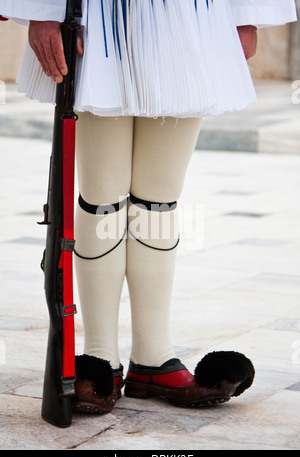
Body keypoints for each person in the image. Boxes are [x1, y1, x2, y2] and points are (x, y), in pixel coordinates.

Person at [0, 0, 297, 413]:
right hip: (96, 16)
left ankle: (153, 358)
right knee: (102, 199)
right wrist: (42, 10)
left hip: (190, 15)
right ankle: (100, 355)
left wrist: (247, 12)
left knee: (159, 202)